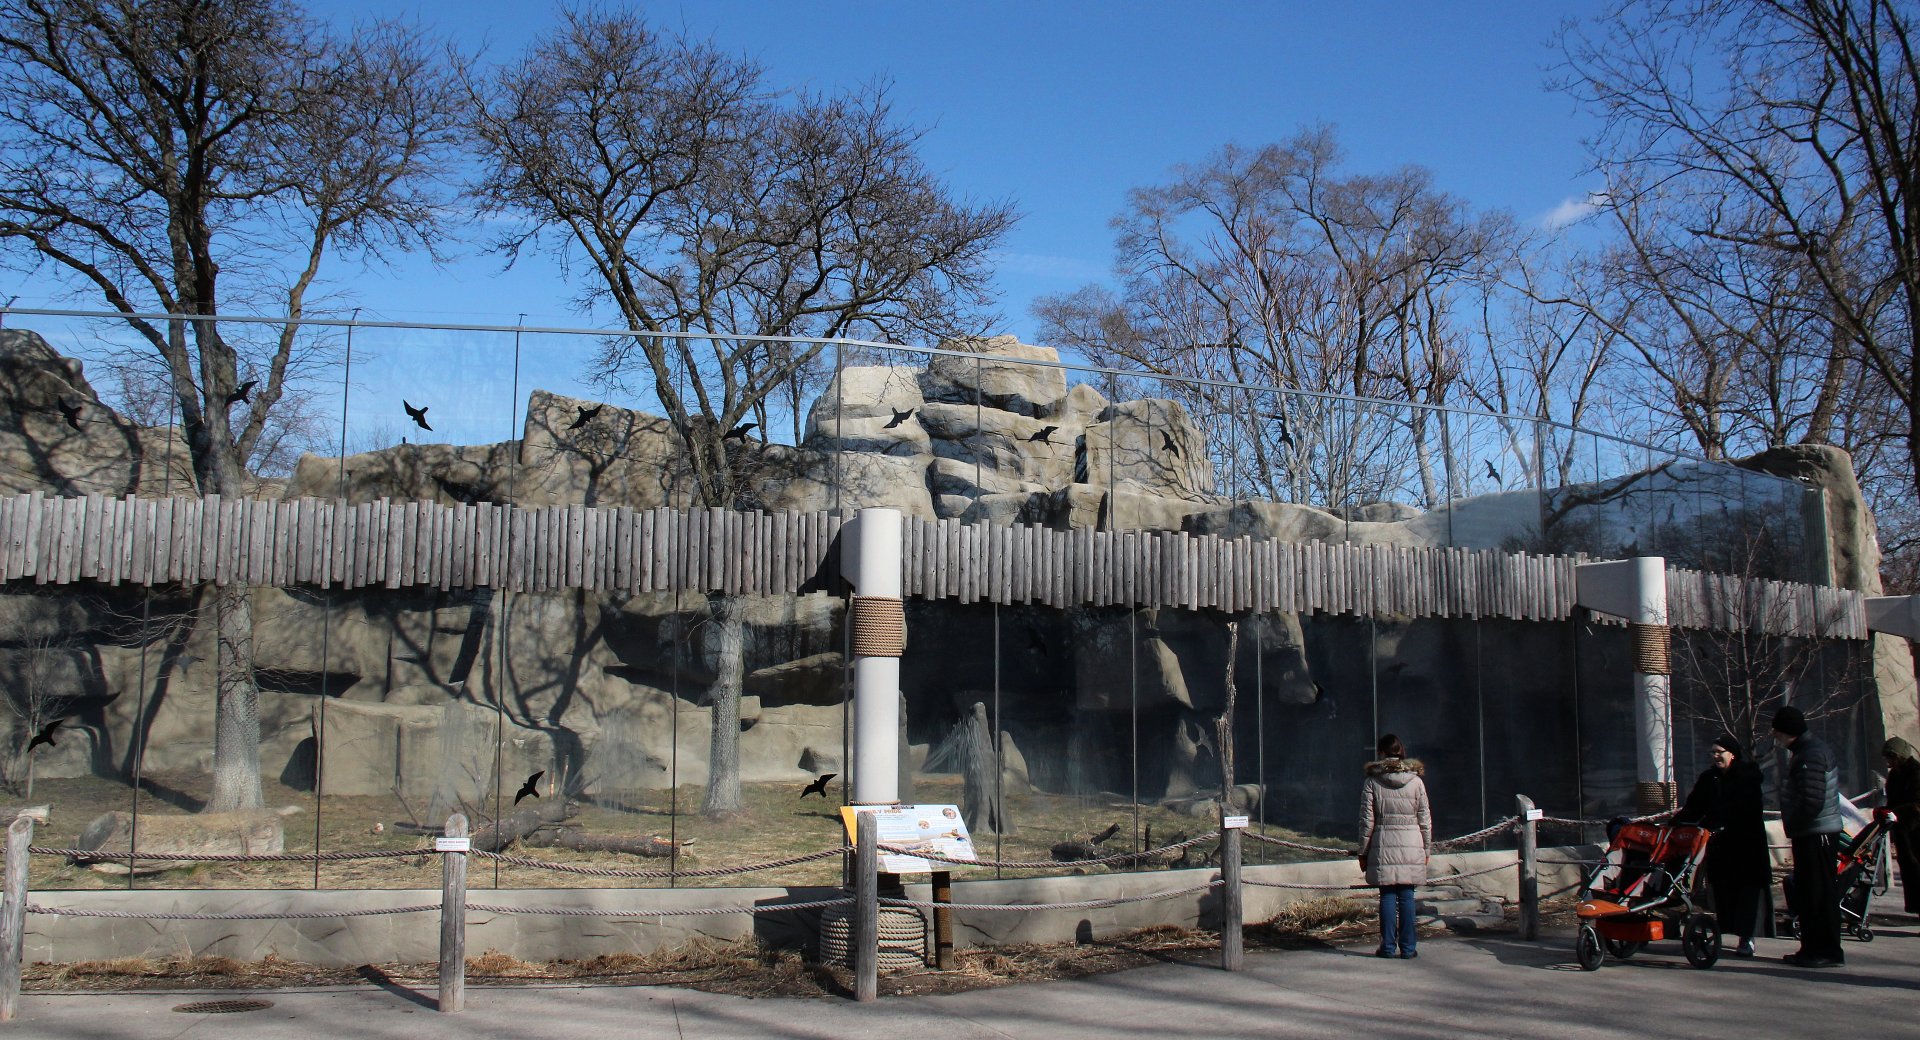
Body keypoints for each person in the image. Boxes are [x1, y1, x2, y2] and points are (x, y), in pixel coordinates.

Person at [1676, 734, 1772, 957]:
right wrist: (1679, 823)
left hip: (1746, 846)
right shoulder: (1709, 778)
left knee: (1747, 893)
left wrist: (1723, 822)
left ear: (1732, 754)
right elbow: (1694, 806)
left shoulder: (1747, 777)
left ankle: (1746, 937)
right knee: (1723, 891)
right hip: (1720, 845)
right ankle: (1727, 929)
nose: (1715, 756)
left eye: (1720, 752)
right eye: (1713, 752)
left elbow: (1748, 810)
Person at [1773, 705, 1843, 967]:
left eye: (1777, 732)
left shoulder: (1809, 755)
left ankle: (1823, 951)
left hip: (1816, 833)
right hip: (1815, 831)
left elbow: (1811, 802)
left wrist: (1792, 823)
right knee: (1812, 892)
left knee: (1817, 894)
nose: (1775, 737)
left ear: (1786, 731)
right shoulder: (1808, 751)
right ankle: (1814, 948)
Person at [1357, 733, 1431, 960]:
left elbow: (1367, 821)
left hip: (1384, 843)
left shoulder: (1372, 782)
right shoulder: (1416, 782)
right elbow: (1425, 819)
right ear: (1402, 752)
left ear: (1381, 752)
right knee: (1407, 896)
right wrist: (1426, 849)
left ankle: (1387, 947)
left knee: (1387, 895)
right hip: (1411, 842)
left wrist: (1363, 851)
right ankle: (1408, 948)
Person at [1884, 737, 1920, 915]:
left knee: (1917, 868)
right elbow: (1893, 800)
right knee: (1910, 870)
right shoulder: (1894, 775)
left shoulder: (1916, 773)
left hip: (1916, 830)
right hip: (1903, 831)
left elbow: (1917, 803)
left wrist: (1896, 811)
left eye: (1890, 757)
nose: (1888, 762)